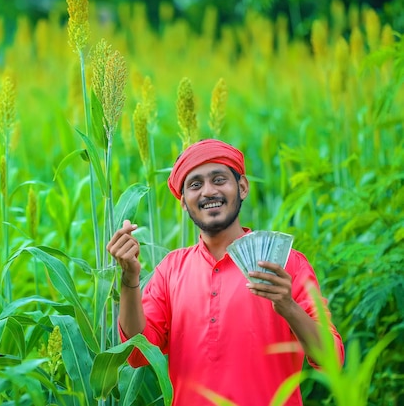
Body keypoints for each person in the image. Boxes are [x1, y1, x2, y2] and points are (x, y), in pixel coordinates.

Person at [106, 139, 345, 406]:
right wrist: (129, 280)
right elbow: (138, 354)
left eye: (219, 180)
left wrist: (287, 305)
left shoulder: (286, 264)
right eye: (195, 185)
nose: (208, 191)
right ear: (184, 202)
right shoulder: (170, 270)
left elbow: (332, 360)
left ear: (242, 187)